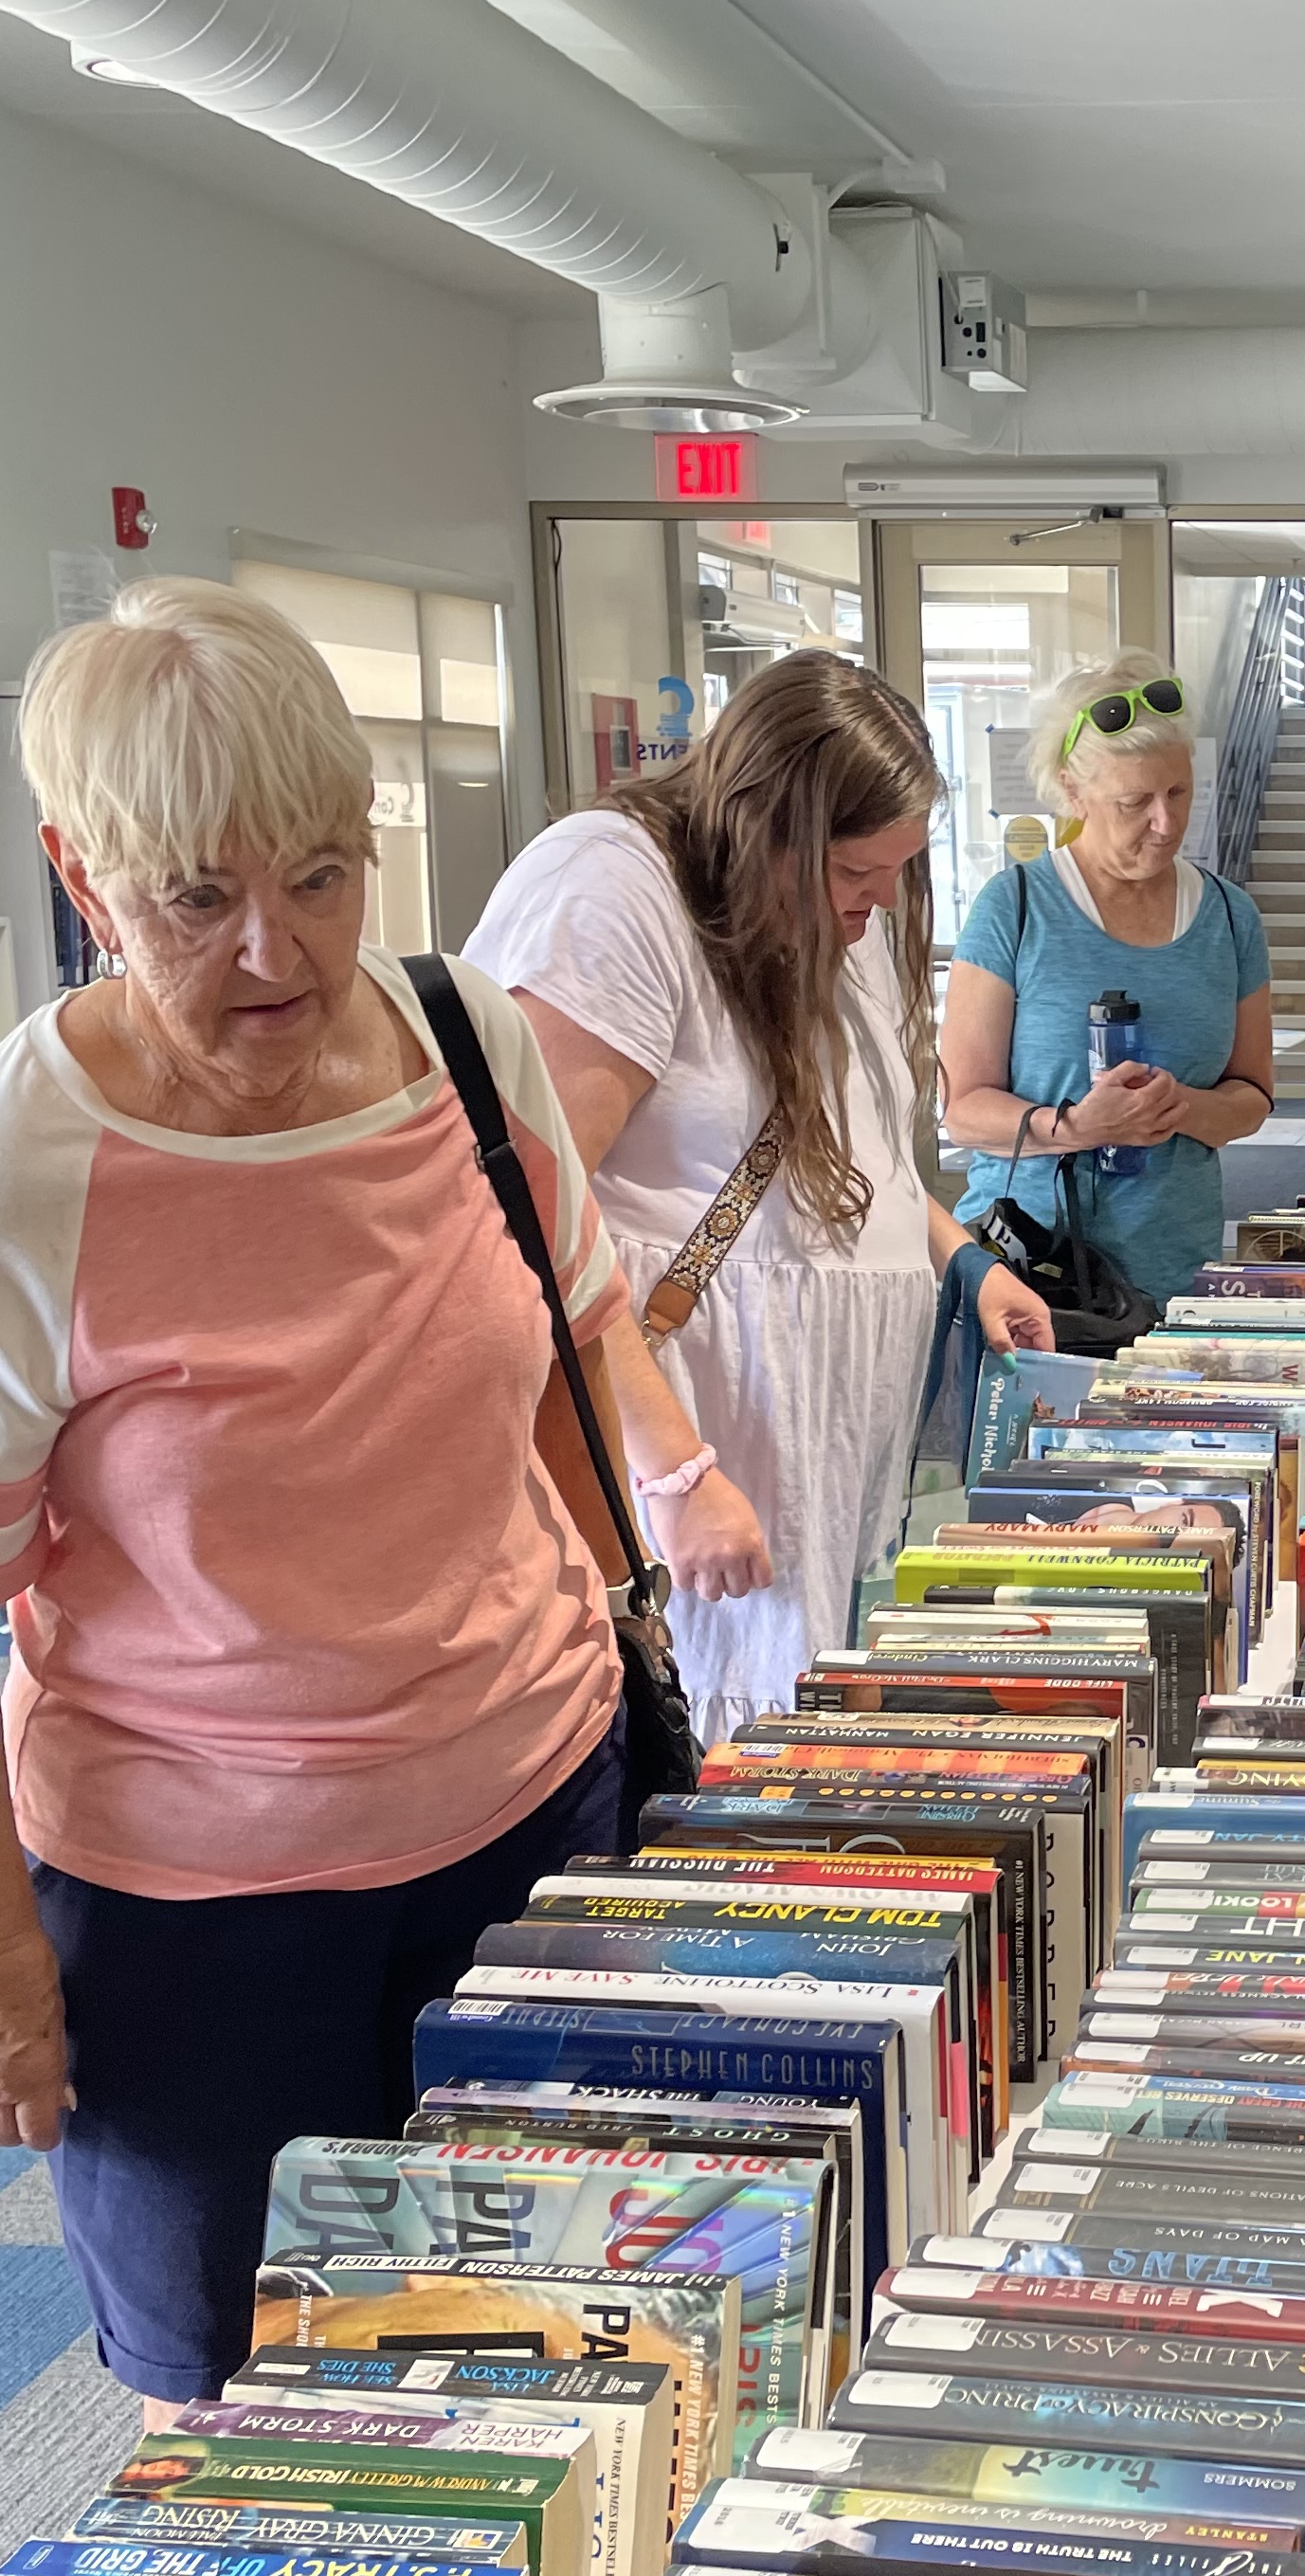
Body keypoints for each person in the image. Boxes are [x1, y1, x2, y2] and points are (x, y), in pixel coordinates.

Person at [0, 579, 634, 2406]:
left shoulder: (465, 1038)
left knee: (556, 2371)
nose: (278, 950)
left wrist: (603, 1611)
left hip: (531, 1823)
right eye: (196, 896)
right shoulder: (38, 1162)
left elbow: (569, 1338)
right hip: (197, 1922)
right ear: (80, 869)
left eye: (324, 874)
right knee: (254, 2430)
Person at [467, 652, 1052, 1743]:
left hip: (818, 1452)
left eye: (896, 877)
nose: (878, 907)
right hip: (703, 1425)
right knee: (711, 1736)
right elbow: (530, 1219)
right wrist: (675, 1469)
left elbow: (849, 1140)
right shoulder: (610, 890)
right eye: (855, 876)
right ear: (766, 827)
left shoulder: (837, 904)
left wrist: (957, 1256)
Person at [939, 649, 1277, 1314]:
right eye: (1135, 802)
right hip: (1030, 1276)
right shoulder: (1015, 908)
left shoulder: (1230, 918)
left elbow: (1254, 1093)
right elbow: (964, 1109)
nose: (1166, 822)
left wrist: (1180, 1107)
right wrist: (1080, 1126)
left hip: (1174, 1270)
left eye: (1179, 793)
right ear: (1073, 791)